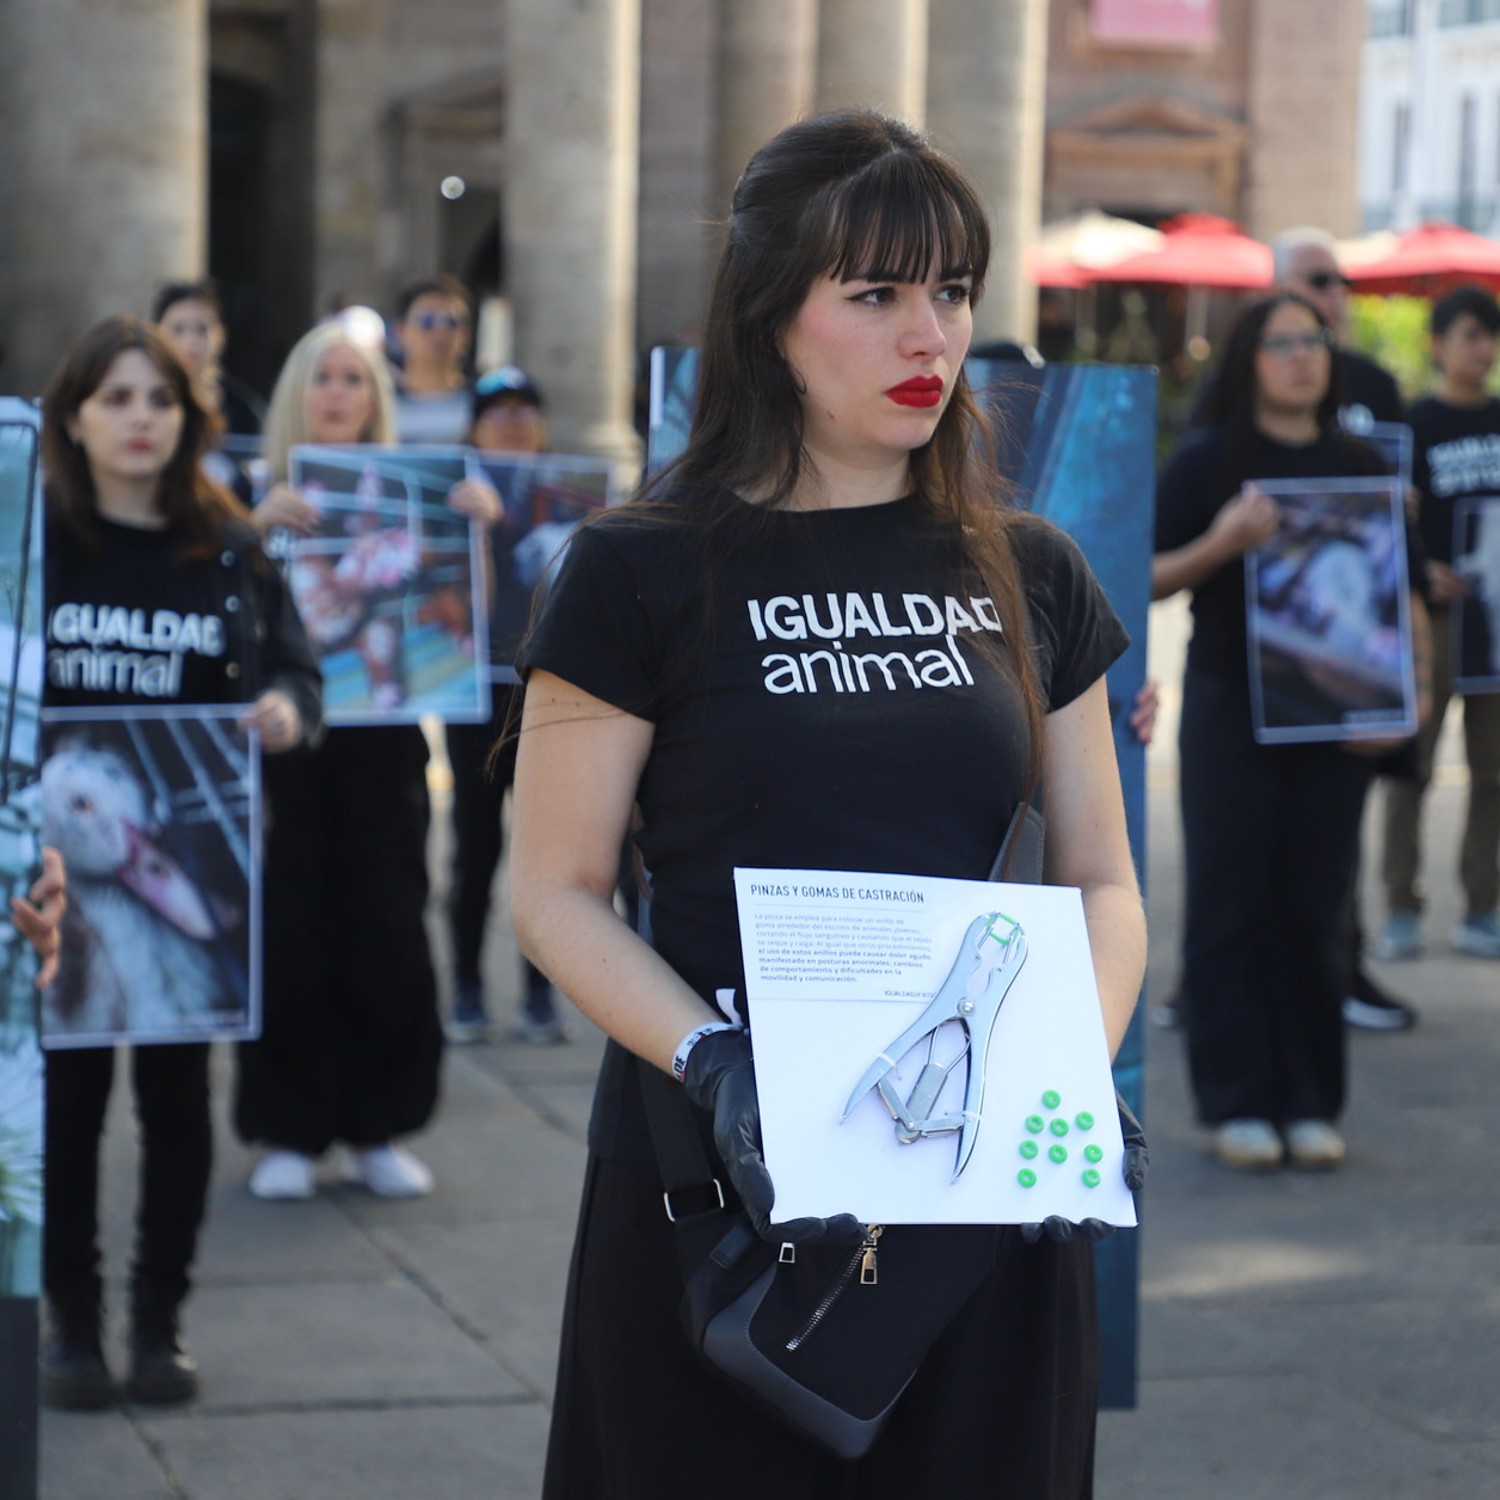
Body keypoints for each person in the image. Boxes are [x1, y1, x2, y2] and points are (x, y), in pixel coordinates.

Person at [509, 110, 1146, 1498]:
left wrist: (1065, 1072)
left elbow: (1103, 881)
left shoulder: (1032, 571)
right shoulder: (635, 574)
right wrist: (714, 1066)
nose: (930, 336)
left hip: (972, 1205)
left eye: (952, 291)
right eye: (875, 295)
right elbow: (552, 890)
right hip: (717, 1203)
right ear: (772, 319)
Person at [39, 314, 321, 1408]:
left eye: (158, 399)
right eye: (115, 398)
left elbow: (303, 679)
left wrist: (288, 713)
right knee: (65, 1106)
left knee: (176, 1106)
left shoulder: (235, 548)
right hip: (54, 888)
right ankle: (74, 1325)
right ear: (73, 416)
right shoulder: (35, 549)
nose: (139, 419)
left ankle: (160, 1322)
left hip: (202, 881)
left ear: (189, 417)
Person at [1153, 293, 1430, 1173]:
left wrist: (1404, 700)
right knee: (1228, 904)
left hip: (1333, 718)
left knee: (1317, 910)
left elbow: (1406, 599)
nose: (1301, 357)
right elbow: (1144, 578)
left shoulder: (1360, 464)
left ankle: (1311, 1100)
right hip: (1231, 707)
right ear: (1249, 360)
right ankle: (1236, 1103)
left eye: (1313, 341)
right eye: (1280, 344)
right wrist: (1223, 541)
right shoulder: (1205, 463)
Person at [232, 322, 496, 1202]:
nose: (338, 393)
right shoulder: (248, 496)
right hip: (284, 741)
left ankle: (377, 1124)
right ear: (296, 394)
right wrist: (247, 531)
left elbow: (460, 626)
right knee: (290, 926)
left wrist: (475, 536)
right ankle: (291, 1130)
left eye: (354, 379)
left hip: (382, 736)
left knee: (388, 919)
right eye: (323, 378)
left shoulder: (416, 493)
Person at [445, 364, 567, 1044]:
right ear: (475, 426)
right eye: (500, 411)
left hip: (549, 692)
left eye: (526, 409)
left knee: (551, 852)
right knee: (475, 846)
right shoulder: (460, 491)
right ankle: (466, 984)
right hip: (477, 693)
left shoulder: (566, 494)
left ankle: (541, 994)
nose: (515, 421)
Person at [1378, 285, 1500, 962]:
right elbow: (1390, 518)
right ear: (1439, 343)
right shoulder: (1414, 424)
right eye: (1469, 336)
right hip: (1433, 621)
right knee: (1411, 769)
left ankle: (1483, 905)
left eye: (1488, 337)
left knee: (1493, 772)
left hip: (1495, 623)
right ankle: (1401, 904)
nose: (1481, 350)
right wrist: (1426, 574)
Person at [389, 275, 474, 445]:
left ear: (465, 334)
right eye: (427, 321)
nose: (440, 332)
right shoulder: (379, 403)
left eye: (451, 322)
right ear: (400, 332)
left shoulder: (482, 405)